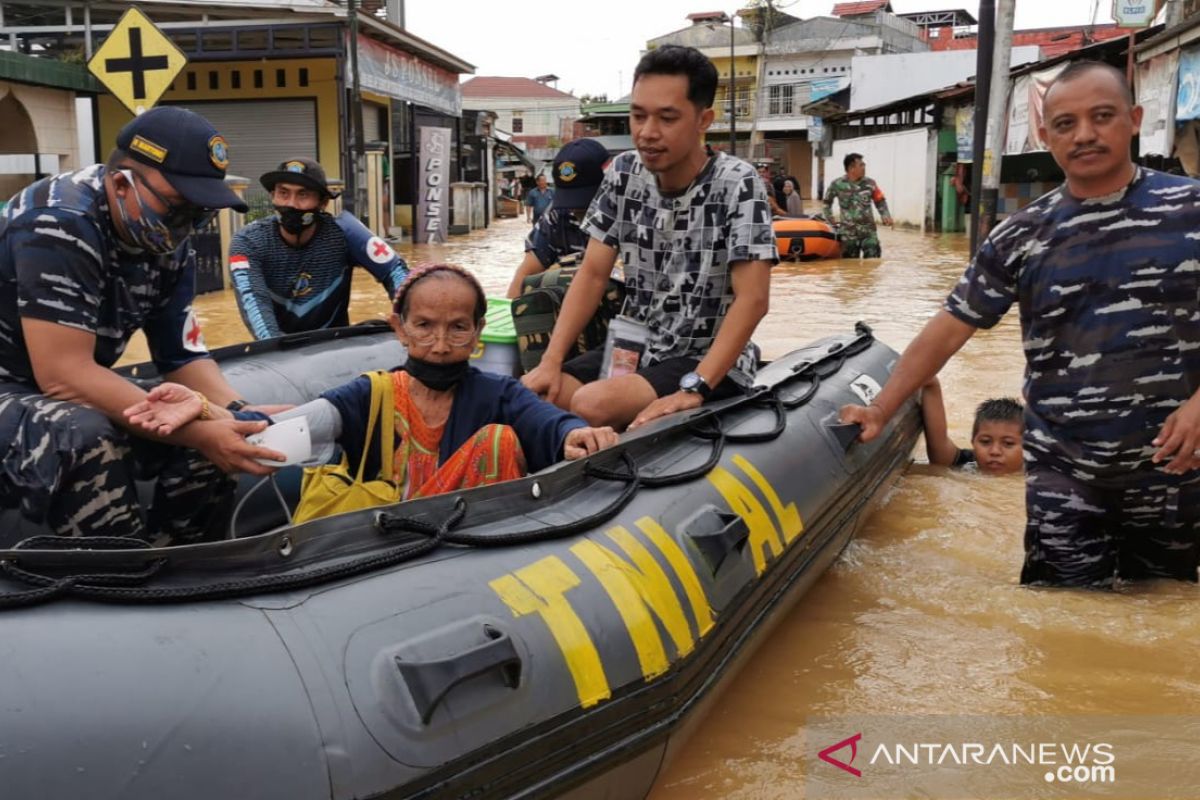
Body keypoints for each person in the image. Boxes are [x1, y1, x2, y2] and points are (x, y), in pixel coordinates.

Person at [840, 61, 1200, 588]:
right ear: (1044, 134)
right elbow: (949, 327)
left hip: (1173, 468)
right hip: (1063, 466)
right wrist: (880, 407)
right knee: (1062, 618)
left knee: (1163, 608)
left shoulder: (1188, 208)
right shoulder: (1021, 235)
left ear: (1135, 118)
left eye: (1102, 117)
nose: (1084, 135)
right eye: (1065, 123)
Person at [0, 107, 285, 544]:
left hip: (48, 384)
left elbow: (182, 354)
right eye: (177, 207)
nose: (187, 224)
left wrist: (236, 414)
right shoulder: (59, 222)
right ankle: (118, 576)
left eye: (198, 213)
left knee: (203, 416)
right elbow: (63, 375)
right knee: (86, 435)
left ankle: (182, 556)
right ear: (121, 183)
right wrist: (200, 429)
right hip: (16, 386)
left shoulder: (163, 237)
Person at [127, 265, 619, 504]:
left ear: (476, 333)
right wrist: (204, 409)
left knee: (501, 439)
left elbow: (548, 423)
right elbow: (287, 429)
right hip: (392, 545)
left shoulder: (499, 394)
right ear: (399, 328)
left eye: (457, 328)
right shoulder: (370, 393)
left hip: (479, 553)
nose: (441, 344)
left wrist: (576, 434)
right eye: (424, 326)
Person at [520, 45, 775, 431]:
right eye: (638, 116)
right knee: (540, 399)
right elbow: (591, 274)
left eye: (667, 118)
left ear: (703, 119)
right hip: (635, 346)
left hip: (706, 358)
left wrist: (696, 385)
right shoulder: (623, 174)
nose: (647, 133)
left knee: (591, 404)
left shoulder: (738, 183)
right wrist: (550, 362)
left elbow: (753, 299)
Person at [229, 157, 407, 340]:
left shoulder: (345, 232)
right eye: (283, 193)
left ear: (323, 203)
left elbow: (396, 272)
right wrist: (275, 349)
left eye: (303, 195)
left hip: (336, 348)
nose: (291, 204)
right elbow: (253, 302)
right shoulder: (249, 242)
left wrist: (410, 323)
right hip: (279, 352)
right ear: (272, 196)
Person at [507, 137, 610, 298]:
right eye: (571, 199)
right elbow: (523, 278)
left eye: (584, 200)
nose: (576, 209)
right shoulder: (556, 216)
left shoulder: (629, 214)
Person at [919, 377, 1023, 474]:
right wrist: (932, 383)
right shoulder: (968, 464)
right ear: (973, 442)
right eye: (985, 442)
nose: (995, 451)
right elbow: (939, 449)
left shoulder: (1036, 474)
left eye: (1008, 443)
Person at [822, 152, 893, 258]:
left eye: (864, 165)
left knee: (872, 264)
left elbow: (880, 201)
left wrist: (885, 214)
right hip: (848, 234)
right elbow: (826, 202)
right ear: (851, 168)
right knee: (849, 267)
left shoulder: (870, 183)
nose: (864, 167)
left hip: (868, 233)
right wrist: (829, 218)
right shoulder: (837, 184)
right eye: (861, 165)